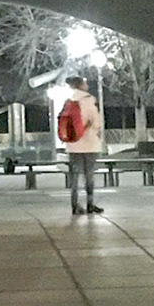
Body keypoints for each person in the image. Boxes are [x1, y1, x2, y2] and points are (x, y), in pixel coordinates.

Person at [60, 76, 104, 215]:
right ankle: (90, 204)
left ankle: (75, 205)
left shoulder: (68, 101)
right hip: (89, 144)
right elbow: (96, 123)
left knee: (74, 176)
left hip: (73, 145)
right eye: (85, 83)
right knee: (89, 175)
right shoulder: (89, 100)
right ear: (81, 85)